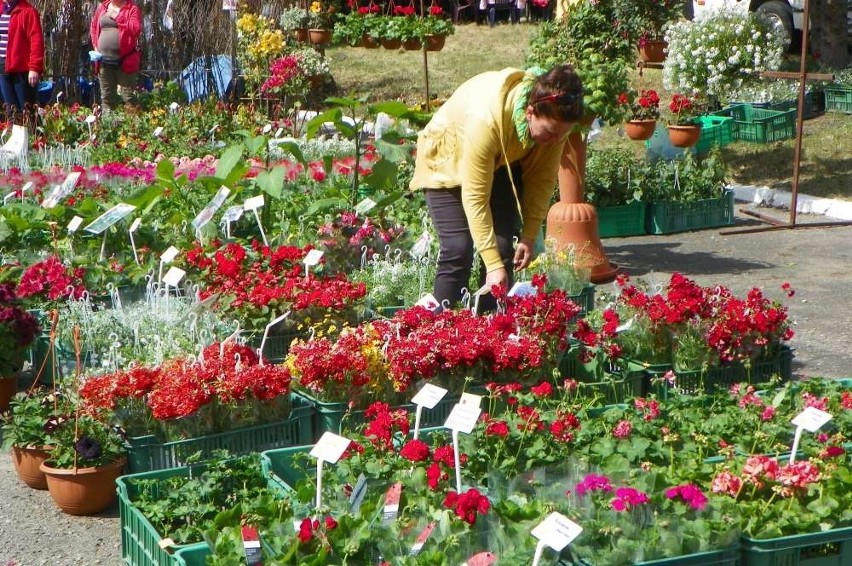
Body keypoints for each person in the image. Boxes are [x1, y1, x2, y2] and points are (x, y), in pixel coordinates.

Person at [410, 65, 584, 310]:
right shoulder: (488, 119)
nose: (555, 141)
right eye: (550, 132)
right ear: (530, 112)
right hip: (447, 157)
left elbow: (541, 181)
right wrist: (492, 266)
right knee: (458, 249)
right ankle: (441, 332)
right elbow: (475, 197)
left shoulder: (553, 127)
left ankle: (494, 334)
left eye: (562, 134)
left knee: (504, 248)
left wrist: (529, 235)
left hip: (499, 160)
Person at [90, 0, 142, 112]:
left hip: (125, 61)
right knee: (107, 98)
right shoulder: (103, 7)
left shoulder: (131, 8)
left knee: (129, 98)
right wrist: (95, 46)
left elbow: (135, 30)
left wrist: (117, 16)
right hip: (104, 62)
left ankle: (135, 127)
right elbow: (94, 27)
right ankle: (109, 127)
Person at [0, 0, 43, 114]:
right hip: (3, 67)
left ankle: (33, 132)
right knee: (11, 111)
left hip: (21, 70)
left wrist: (34, 67)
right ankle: (13, 131)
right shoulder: (2, 9)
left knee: (27, 111)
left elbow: (36, 41)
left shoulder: (28, 12)